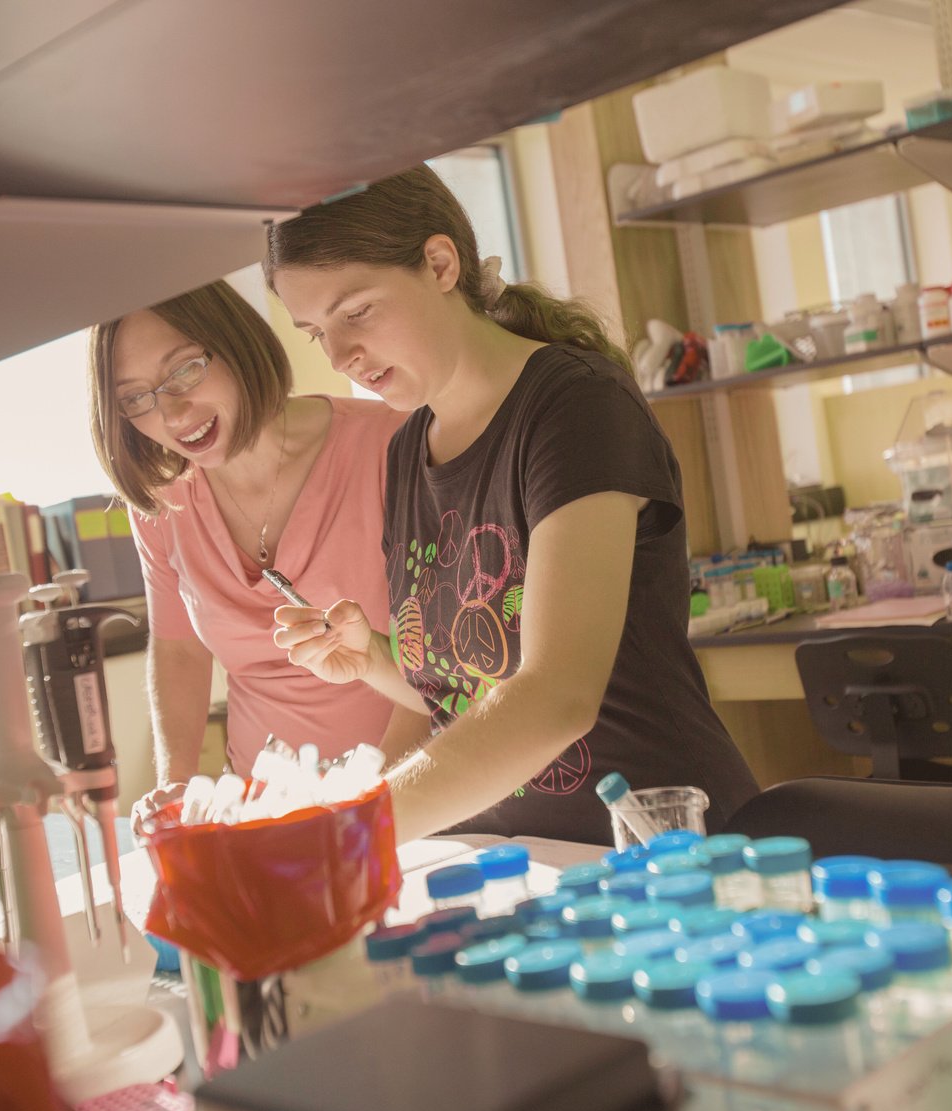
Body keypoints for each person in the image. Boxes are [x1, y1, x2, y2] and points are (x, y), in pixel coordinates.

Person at [267, 166, 759, 846]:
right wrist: (377, 659)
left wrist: (355, 830)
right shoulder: (407, 450)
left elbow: (555, 696)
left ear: (440, 264)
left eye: (357, 312)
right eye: (315, 332)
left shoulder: (574, 406)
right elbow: (470, 694)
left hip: (655, 848)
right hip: (525, 860)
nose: (342, 354)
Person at [88, 281, 407, 812]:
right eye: (136, 398)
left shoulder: (392, 445)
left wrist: (374, 804)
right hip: (270, 810)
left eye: (185, 369)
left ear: (235, 342)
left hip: (413, 795)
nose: (171, 413)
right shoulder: (163, 506)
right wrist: (178, 783)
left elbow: (438, 670)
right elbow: (179, 650)